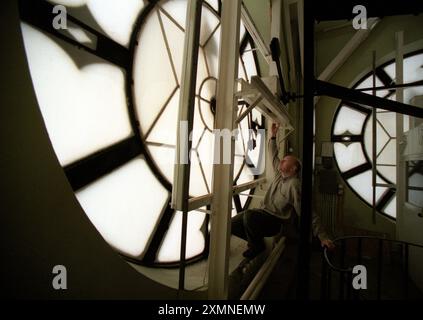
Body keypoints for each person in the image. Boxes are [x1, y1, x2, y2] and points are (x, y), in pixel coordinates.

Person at [231, 123, 335, 259]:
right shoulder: (279, 175)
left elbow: (307, 212)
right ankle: (256, 242)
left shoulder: (294, 185)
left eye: (285, 160)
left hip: (275, 221)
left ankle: (256, 246)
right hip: (262, 214)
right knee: (232, 225)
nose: (281, 161)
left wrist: (323, 237)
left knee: (249, 216)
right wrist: (273, 136)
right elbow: (273, 154)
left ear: (293, 169)